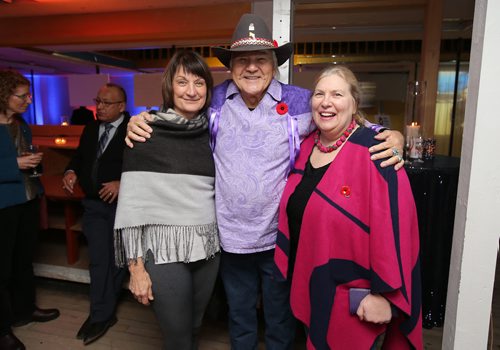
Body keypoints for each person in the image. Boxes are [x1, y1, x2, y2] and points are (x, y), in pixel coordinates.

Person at [126, 14, 404, 349]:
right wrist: (142, 119)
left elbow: (345, 119)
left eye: (261, 59)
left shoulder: (301, 100)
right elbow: (178, 110)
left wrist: (391, 135)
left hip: (279, 238)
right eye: (243, 60)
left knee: (279, 319)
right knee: (240, 317)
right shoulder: (213, 100)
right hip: (228, 239)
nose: (252, 68)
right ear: (231, 67)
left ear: (274, 64)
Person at [274, 65, 422, 349]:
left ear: (354, 104)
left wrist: (385, 295)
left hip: (356, 295)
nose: (326, 102)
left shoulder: (377, 151)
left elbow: (399, 229)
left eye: (337, 94)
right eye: (319, 94)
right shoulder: (304, 147)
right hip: (310, 282)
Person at [114, 50, 220, 350]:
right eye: (182, 81)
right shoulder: (146, 131)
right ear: (169, 87)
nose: (191, 91)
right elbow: (131, 207)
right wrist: (135, 270)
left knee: (195, 327)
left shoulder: (213, 130)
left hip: (208, 247)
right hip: (162, 250)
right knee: (177, 336)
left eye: (199, 83)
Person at [62, 83, 129, 345]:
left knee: (117, 261)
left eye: (106, 103)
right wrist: (70, 171)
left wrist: (123, 182)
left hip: (123, 208)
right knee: (100, 260)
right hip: (93, 206)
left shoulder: (136, 128)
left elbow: (146, 166)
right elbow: (80, 157)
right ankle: (101, 314)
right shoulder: (90, 128)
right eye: (97, 101)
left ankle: (103, 313)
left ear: (121, 106)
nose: (99, 107)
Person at [0, 70, 60, 350]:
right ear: (3, 95)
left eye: (28, 94)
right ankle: (2, 329)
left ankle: (26, 310)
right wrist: (16, 165)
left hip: (27, 200)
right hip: (3, 205)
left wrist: (33, 163)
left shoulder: (22, 124)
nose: (28, 100)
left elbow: (25, 160)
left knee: (24, 260)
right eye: (22, 95)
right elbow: (13, 163)